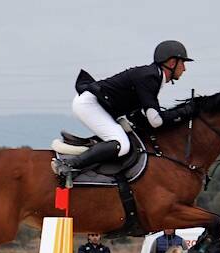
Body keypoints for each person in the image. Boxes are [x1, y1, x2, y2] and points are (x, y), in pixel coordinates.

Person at [64, 40, 194, 172]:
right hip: (90, 105)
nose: (184, 68)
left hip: (97, 105)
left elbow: (140, 115)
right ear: (172, 62)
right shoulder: (150, 77)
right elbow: (156, 120)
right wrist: (185, 111)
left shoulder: (153, 76)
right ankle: (69, 164)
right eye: (182, 63)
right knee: (122, 144)